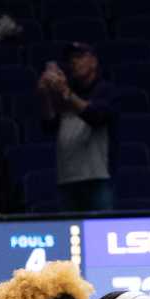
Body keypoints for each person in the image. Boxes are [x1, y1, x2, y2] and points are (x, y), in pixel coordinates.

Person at [40, 44, 114, 213]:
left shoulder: (105, 89)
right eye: (71, 59)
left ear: (93, 62)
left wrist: (66, 93)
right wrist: (45, 96)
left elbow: (96, 117)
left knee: (100, 232)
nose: (74, 62)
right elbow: (49, 126)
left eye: (80, 57)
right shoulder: (63, 94)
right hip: (67, 179)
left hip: (98, 178)